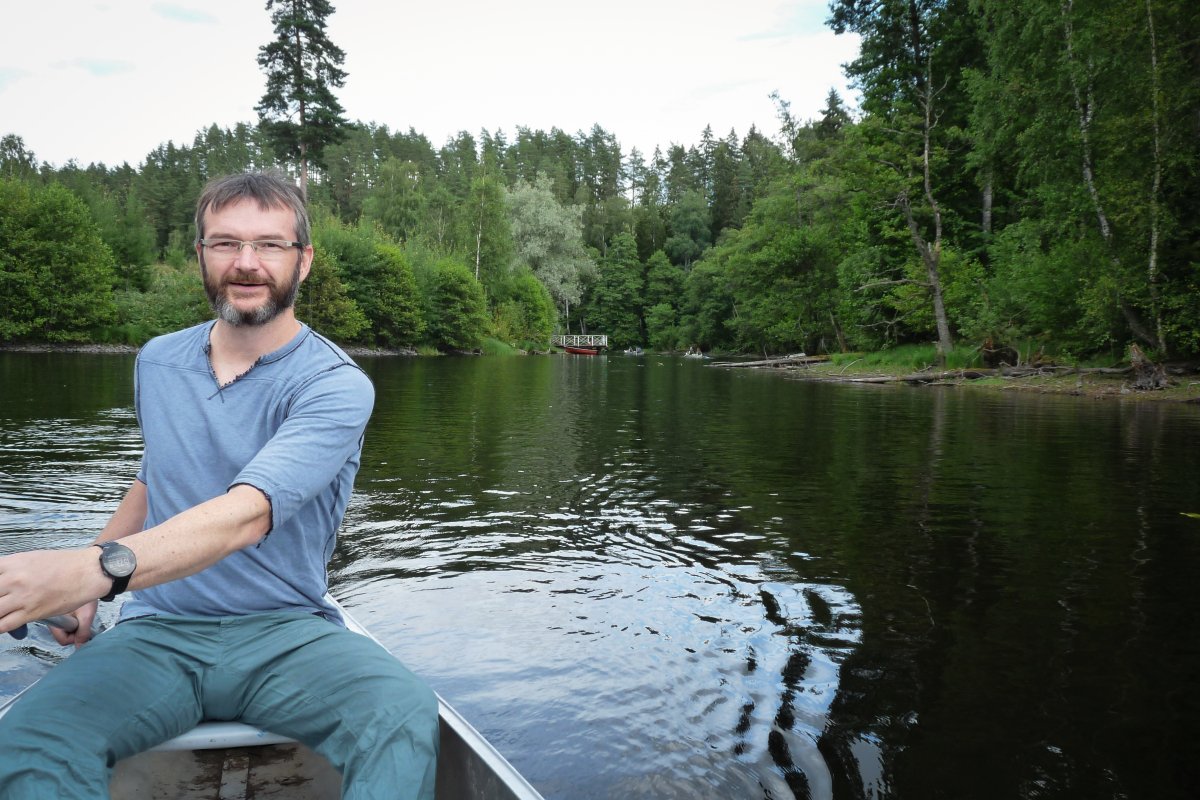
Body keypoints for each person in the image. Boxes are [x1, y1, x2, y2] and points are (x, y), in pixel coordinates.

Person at [0, 172, 439, 799]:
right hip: (158, 631)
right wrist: (86, 591)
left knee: (401, 716)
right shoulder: (157, 360)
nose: (247, 263)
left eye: (270, 245)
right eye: (226, 243)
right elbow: (152, 479)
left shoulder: (335, 385)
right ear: (201, 255)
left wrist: (87, 571)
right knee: (30, 740)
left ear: (303, 260)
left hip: (287, 631)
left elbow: (248, 514)